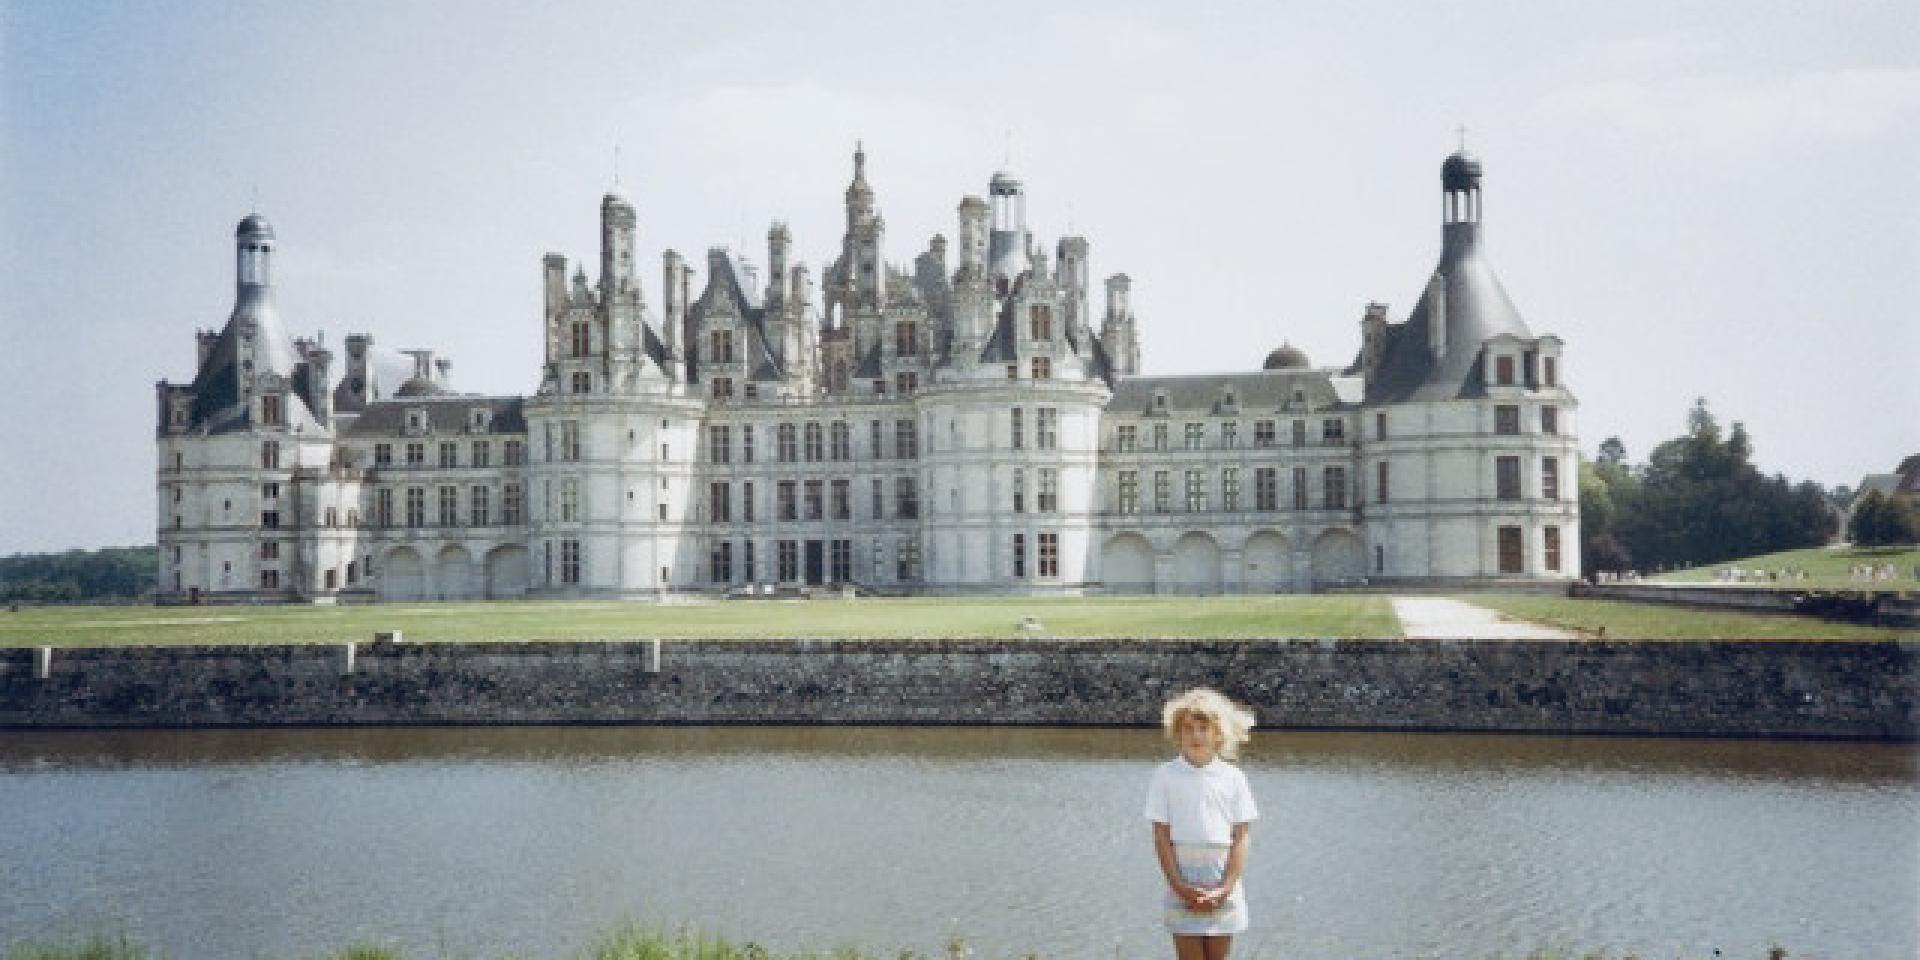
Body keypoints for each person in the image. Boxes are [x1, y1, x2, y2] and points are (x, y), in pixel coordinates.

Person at [1144, 687, 1260, 960]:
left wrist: (1225, 887)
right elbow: (1161, 836)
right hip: (1181, 880)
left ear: (1219, 733)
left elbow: (1241, 837)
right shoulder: (1165, 776)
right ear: (1177, 734)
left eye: (1203, 728)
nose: (1196, 735)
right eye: (1188, 729)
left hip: (1221, 880)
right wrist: (1178, 885)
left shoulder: (1233, 778)